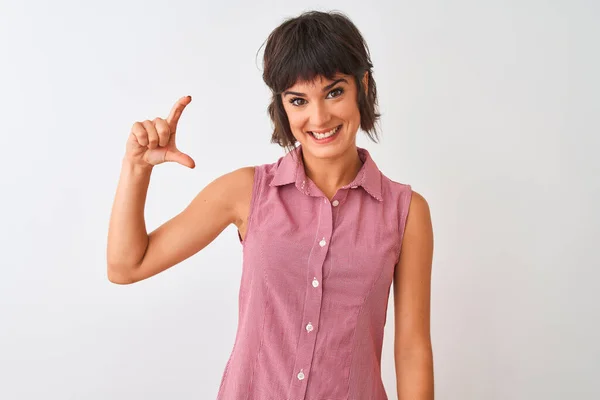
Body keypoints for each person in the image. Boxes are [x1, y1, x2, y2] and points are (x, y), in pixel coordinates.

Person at [107, 10, 434, 400]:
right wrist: (136, 168)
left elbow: (412, 350)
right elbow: (127, 266)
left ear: (362, 86)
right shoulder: (245, 192)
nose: (319, 117)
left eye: (334, 91)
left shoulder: (406, 212)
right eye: (299, 100)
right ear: (282, 106)